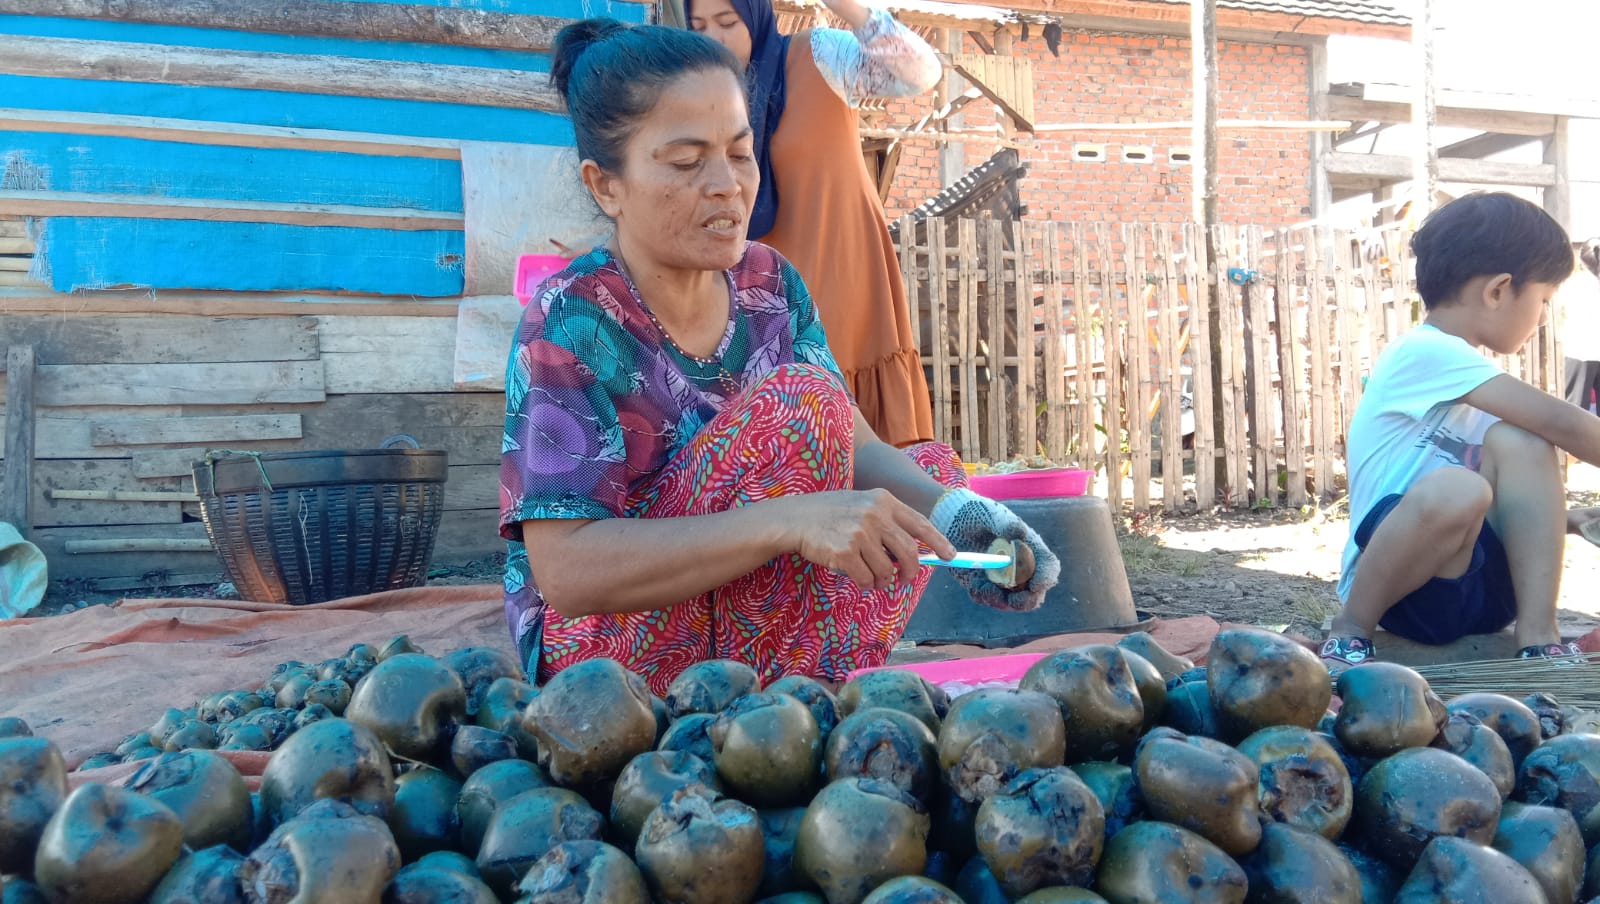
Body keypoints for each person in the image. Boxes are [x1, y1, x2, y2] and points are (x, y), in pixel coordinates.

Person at [501, 19, 1060, 694]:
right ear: (606, 185)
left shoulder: (770, 285)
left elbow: (854, 445)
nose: (726, 185)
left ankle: (796, 702)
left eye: (740, 154)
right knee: (804, 404)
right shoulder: (573, 319)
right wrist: (786, 523)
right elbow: (568, 574)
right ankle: (770, 697)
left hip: (743, 633)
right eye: (686, 162)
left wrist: (963, 517)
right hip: (608, 666)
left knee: (927, 473)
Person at [1324, 192, 1600, 672]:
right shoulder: (1423, 352)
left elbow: (1511, 482)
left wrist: (1566, 517)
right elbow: (1563, 421)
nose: (1541, 318)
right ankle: (1350, 630)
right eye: (1543, 300)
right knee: (1463, 484)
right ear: (1498, 290)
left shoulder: (1473, 379)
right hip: (1398, 595)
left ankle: (1538, 636)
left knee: (1524, 441)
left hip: (1481, 597)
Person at [685, 0, 938, 448]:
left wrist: (849, 7)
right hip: (758, 291)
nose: (714, 39)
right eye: (699, 26)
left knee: (865, 444)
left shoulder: (818, 57)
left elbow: (920, 74)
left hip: (842, 266)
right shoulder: (694, 98)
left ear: (757, 15)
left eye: (728, 23)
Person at [1560, 238, 1600, 412]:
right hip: (1587, 350)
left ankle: (1575, 440)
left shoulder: (1572, 283)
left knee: (1576, 408)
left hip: (1579, 351)